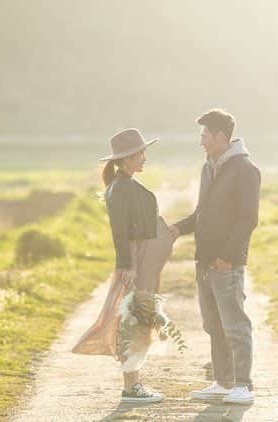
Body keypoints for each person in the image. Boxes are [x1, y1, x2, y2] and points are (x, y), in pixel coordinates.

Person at [72, 128, 174, 404]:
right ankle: (132, 387)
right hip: (134, 260)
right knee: (134, 319)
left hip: (141, 260)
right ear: (127, 158)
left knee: (139, 317)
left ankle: (134, 384)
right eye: (140, 153)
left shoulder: (126, 184)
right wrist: (128, 266)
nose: (144, 158)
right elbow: (120, 232)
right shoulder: (120, 189)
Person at [169, 109, 261, 405]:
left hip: (226, 263)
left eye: (205, 137)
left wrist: (227, 256)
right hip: (204, 261)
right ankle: (223, 382)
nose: (202, 143)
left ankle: (243, 386)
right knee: (213, 325)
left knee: (235, 325)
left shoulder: (246, 170)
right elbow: (201, 214)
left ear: (222, 137)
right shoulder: (209, 168)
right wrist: (176, 229)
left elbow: (248, 219)